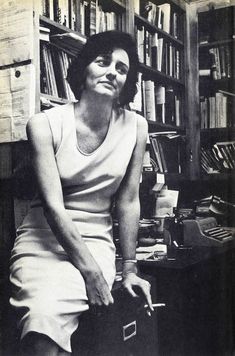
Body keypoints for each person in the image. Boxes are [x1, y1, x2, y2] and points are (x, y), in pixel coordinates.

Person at [9, 30, 153, 356]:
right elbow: (53, 207)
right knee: (42, 318)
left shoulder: (136, 127)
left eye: (121, 68)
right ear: (85, 69)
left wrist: (129, 269)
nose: (111, 72)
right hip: (43, 238)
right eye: (103, 62)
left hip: (96, 239)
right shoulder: (43, 125)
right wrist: (92, 275)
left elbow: (129, 201)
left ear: (127, 83)